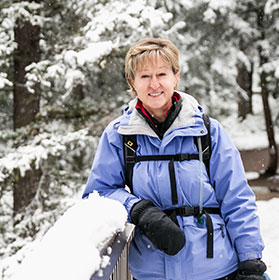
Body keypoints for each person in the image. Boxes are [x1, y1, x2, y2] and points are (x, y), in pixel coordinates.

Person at [82, 38, 267, 280]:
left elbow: (237, 199)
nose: (154, 84)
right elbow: (98, 194)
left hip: (216, 270)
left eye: (161, 74)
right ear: (132, 82)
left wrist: (251, 261)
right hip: (153, 272)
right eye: (145, 76)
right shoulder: (120, 135)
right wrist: (139, 210)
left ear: (175, 75)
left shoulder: (207, 131)